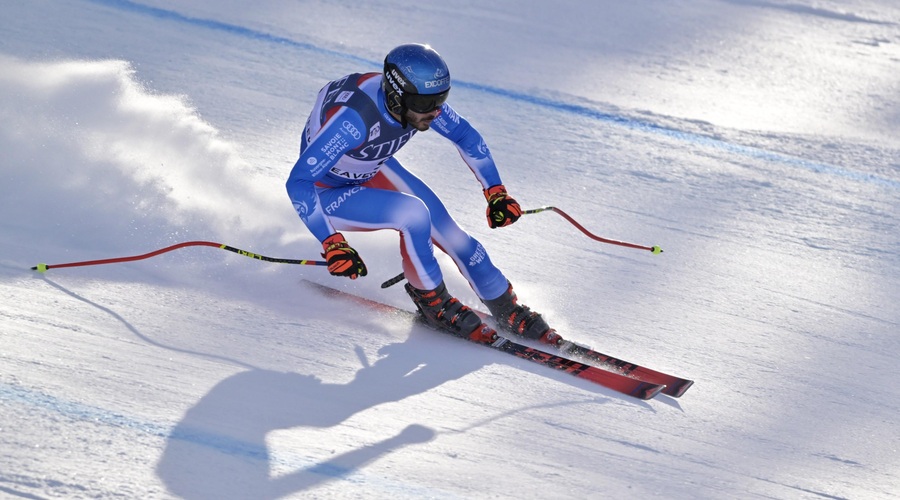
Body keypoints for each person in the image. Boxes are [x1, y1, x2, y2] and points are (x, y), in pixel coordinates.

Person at [286, 43, 559, 346]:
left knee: (454, 236)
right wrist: (332, 242)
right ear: (396, 96)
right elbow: (299, 182)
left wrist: (496, 192)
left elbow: (466, 136)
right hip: (326, 193)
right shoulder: (352, 123)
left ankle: (505, 307)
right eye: (425, 102)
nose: (435, 111)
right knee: (414, 214)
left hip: (372, 167)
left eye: (441, 99)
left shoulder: (416, 104)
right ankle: (432, 302)